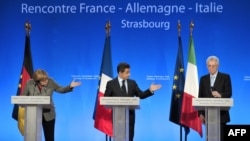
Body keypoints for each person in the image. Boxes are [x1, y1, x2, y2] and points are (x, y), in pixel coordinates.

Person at [104, 62, 162, 141]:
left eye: (129, 72)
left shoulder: (132, 83)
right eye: (127, 72)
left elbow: (140, 95)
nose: (129, 74)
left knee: (129, 138)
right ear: (120, 73)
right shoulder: (111, 84)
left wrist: (150, 90)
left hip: (130, 117)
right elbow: (106, 99)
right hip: (117, 117)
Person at [21, 69, 81, 141]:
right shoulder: (29, 83)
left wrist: (70, 86)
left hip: (48, 114)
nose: (46, 81)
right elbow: (23, 98)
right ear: (37, 81)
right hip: (33, 115)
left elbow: (60, 89)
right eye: (44, 80)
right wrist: (24, 103)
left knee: (49, 138)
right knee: (32, 138)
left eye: (46, 79)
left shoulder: (51, 81)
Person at [198, 56, 232, 141]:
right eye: (209, 66)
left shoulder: (225, 77)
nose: (211, 68)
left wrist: (220, 95)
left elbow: (229, 93)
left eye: (214, 66)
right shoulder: (203, 79)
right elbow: (200, 96)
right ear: (207, 66)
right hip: (208, 116)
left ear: (218, 66)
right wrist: (201, 113)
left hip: (221, 115)